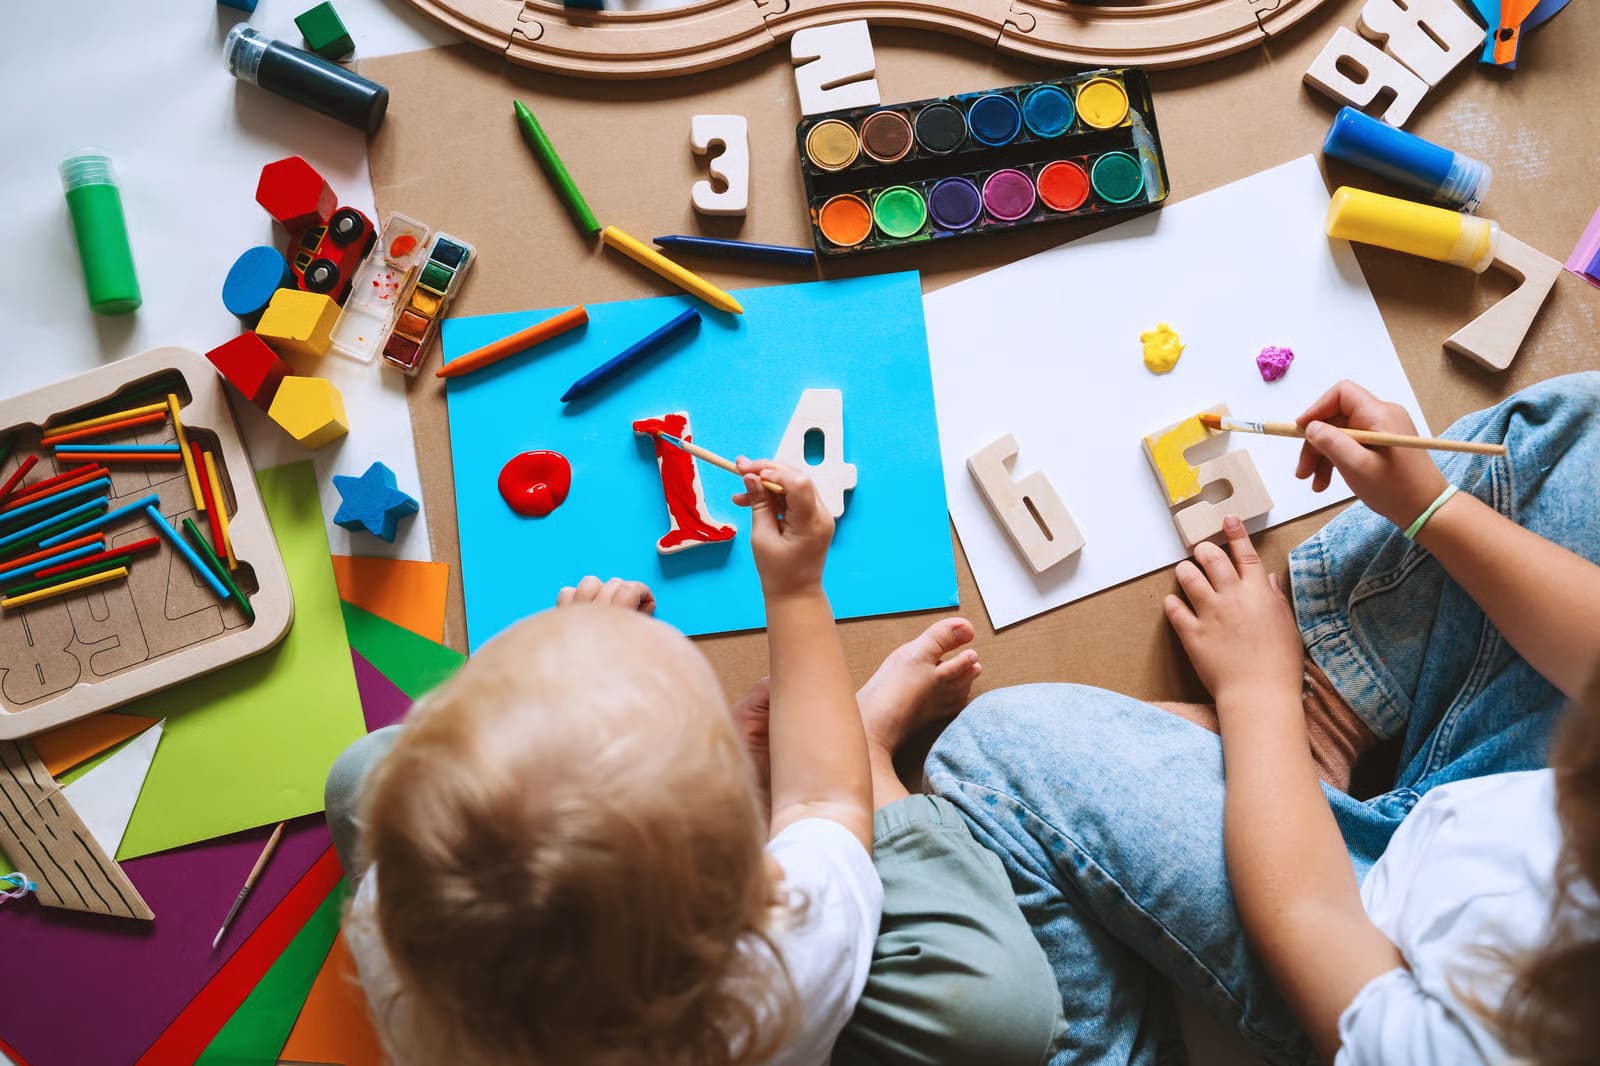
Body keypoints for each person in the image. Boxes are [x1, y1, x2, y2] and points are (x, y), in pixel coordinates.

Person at [912, 375, 1600, 1063]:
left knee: (997, 750)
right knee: (1581, 432)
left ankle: (1129, 1046)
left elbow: (1309, 914)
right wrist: (1428, 506)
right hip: (1496, 802)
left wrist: (1257, 692)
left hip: (1363, 933)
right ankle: (1324, 722)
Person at [324, 460, 1066, 1066]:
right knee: (996, 1014)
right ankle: (864, 751)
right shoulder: (771, 970)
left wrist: (574, 656)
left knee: (363, 777)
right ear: (747, 869)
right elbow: (820, 804)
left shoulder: (394, 926)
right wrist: (797, 587)